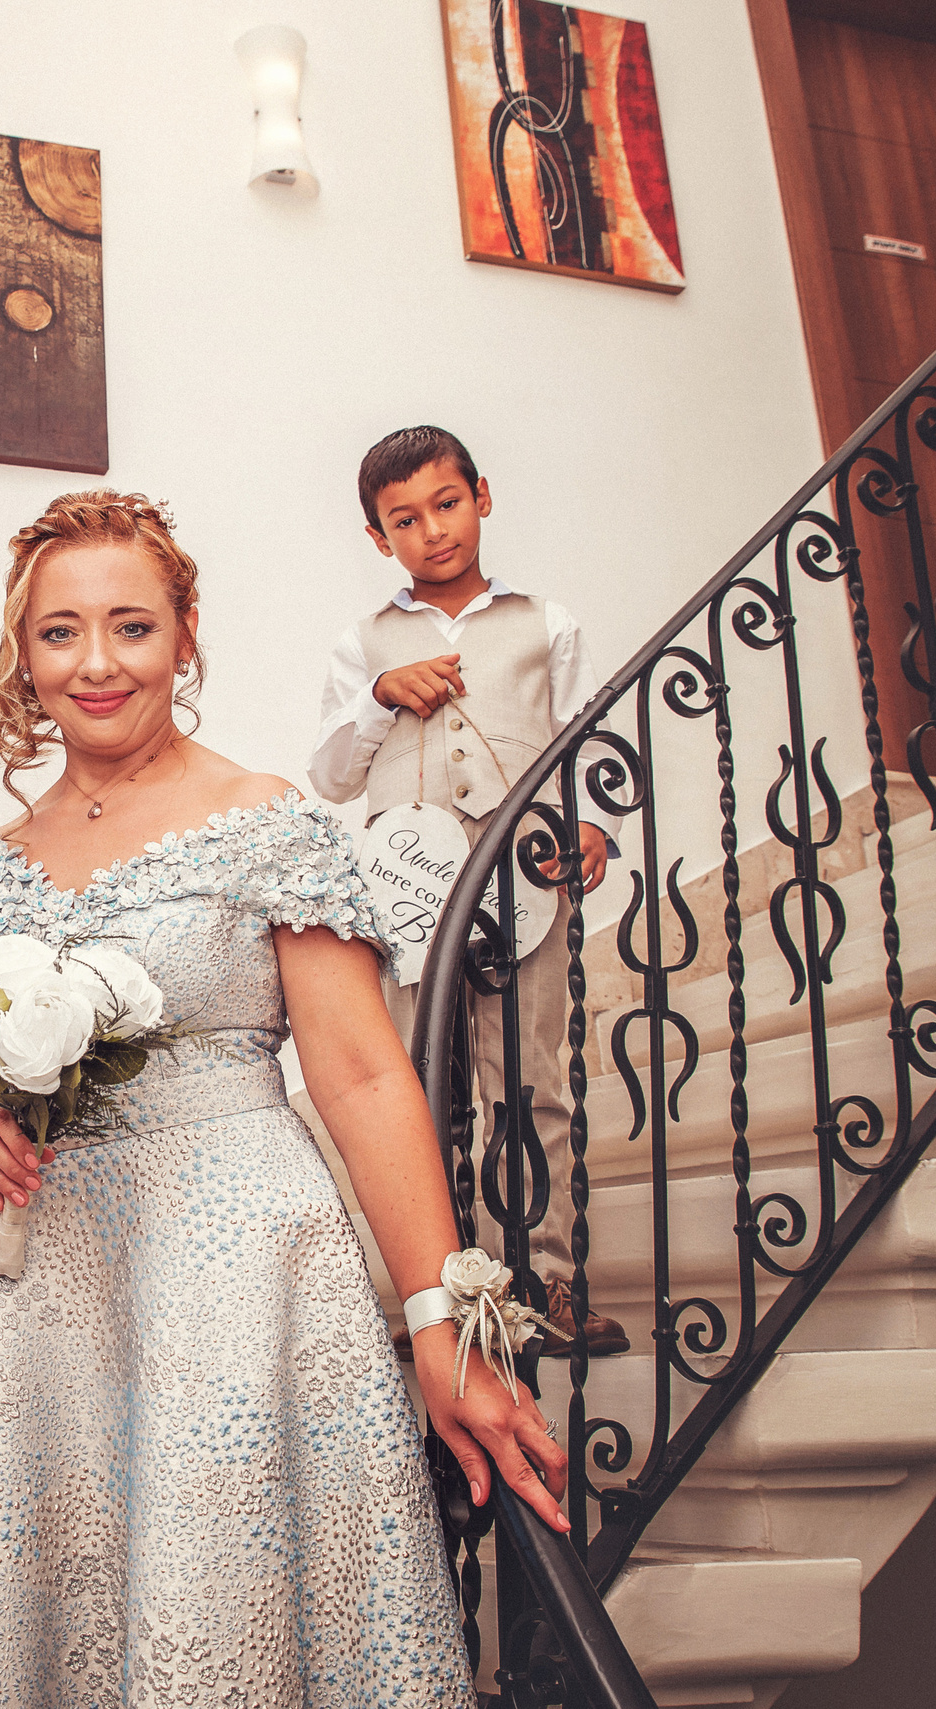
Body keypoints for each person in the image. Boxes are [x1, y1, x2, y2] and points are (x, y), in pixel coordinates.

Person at [0, 491, 562, 1709]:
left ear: (185, 631)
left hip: (240, 1287)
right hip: (29, 1305)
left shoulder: (263, 818)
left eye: (130, 626)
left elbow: (362, 1072)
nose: (95, 663)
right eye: (59, 633)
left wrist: (437, 1312)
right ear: (22, 652)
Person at [307, 425, 627, 1358]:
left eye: (447, 504)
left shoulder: (546, 623)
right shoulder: (363, 643)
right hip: (409, 900)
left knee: (531, 1083)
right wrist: (377, 697)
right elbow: (329, 775)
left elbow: (582, 744)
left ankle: (547, 1280)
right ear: (380, 538)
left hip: (525, 884)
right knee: (418, 1090)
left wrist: (593, 826)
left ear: (481, 497)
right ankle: (438, 1293)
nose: (432, 530)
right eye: (404, 519)